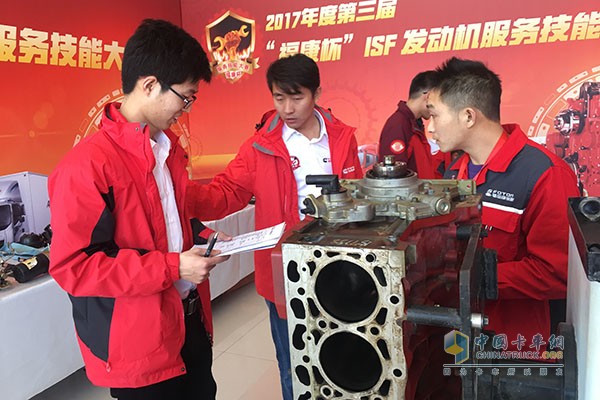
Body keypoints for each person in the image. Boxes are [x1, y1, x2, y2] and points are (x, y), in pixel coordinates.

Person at [48, 19, 230, 400]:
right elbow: (75, 267)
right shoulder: (86, 166)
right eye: (185, 98)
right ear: (149, 85)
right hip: (138, 347)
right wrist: (173, 267)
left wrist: (205, 238)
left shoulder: (167, 150)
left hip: (189, 322)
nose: (186, 109)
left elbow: (169, 222)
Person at [188, 53, 363, 399]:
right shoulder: (261, 145)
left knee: (341, 356)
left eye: (296, 97)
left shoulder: (342, 138)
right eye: (279, 98)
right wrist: (180, 193)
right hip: (286, 269)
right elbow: (227, 191)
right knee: (294, 363)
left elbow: (354, 195)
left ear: (316, 94)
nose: (287, 108)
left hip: (338, 265)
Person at [427, 57, 580, 349]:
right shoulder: (453, 173)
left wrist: (473, 278)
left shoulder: (544, 173)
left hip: (514, 345)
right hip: (459, 336)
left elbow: (557, 272)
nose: (430, 128)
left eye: (434, 115)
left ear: (468, 116)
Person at [377, 70, 447, 178]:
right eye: (440, 100)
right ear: (428, 96)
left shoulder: (414, 123)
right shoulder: (398, 125)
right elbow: (392, 177)